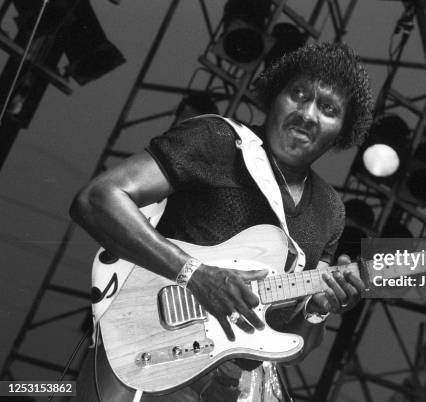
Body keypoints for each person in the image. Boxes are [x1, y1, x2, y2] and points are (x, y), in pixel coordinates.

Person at [70, 41, 373, 401]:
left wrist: (318, 312)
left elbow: (289, 340)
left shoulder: (330, 210)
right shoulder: (218, 140)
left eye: (328, 108)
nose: (308, 114)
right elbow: (97, 199)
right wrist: (195, 274)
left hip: (229, 388)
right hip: (149, 355)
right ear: (275, 96)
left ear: (342, 130)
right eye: (299, 94)